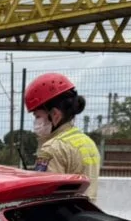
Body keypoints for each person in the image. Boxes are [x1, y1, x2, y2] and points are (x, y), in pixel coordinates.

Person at [25, 72, 101, 201]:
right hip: (85, 217)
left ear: (55, 114)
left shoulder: (52, 148)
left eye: (38, 116)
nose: (36, 123)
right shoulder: (87, 142)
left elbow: (42, 199)